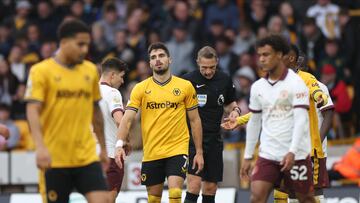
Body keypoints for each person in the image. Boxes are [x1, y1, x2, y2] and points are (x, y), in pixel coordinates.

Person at [25, 20, 109, 203]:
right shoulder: (41, 71)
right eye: (80, 44)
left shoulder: (90, 71)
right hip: (54, 159)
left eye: (87, 44)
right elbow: (32, 110)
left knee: (104, 199)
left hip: (85, 156)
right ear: (63, 43)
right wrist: (39, 147)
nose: (85, 49)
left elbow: (96, 111)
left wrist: (103, 148)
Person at [115, 42, 204, 203]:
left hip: (177, 149)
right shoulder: (140, 88)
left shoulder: (185, 86)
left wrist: (198, 151)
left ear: (169, 60)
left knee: (175, 193)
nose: (158, 60)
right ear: (149, 63)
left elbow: (195, 120)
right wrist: (119, 144)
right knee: (154, 199)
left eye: (161, 56)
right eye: (153, 57)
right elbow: (127, 118)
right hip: (152, 152)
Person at [231, 35, 315, 203]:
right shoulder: (257, 87)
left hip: (296, 154)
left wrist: (292, 151)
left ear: (278, 55)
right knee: (256, 197)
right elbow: (254, 122)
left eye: (266, 54)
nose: (261, 59)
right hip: (268, 154)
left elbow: (301, 121)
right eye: (259, 55)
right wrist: (248, 156)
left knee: (305, 198)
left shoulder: (297, 84)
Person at [182, 46, 241, 203]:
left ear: (217, 63)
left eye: (212, 67)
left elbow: (229, 104)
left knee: (210, 188)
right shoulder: (187, 80)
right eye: (204, 68)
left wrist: (235, 111)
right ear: (197, 63)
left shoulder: (224, 79)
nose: (208, 72)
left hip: (214, 139)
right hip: (192, 140)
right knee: (193, 185)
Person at [99, 57, 128, 203]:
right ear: (112, 75)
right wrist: (124, 141)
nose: (122, 81)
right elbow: (120, 121)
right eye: (121, 77)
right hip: (110, 155)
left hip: (90, 157)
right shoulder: (113, 93)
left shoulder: (89, 92)